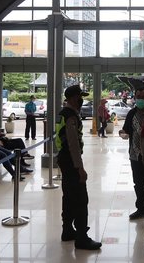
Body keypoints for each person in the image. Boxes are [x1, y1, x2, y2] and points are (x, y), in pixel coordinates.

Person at [55, 85, 102, 250]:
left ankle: (67, 230)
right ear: (73, 98)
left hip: (63, 157)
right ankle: (82, 237)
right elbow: (73, 144)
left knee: (68, 196)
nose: (82, 100)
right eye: (80, 96)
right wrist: (80, 168)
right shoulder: (70, 117)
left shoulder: (62, 114)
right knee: (81, 199)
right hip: (70, 159)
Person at [119, 87, 144, 227]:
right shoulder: (131, 113)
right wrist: (123, 133)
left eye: (143, 97)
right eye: (138, 96)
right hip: (134, 155)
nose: (140, 99)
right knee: (138, 183)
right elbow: (126, 130)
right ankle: (141, 209)